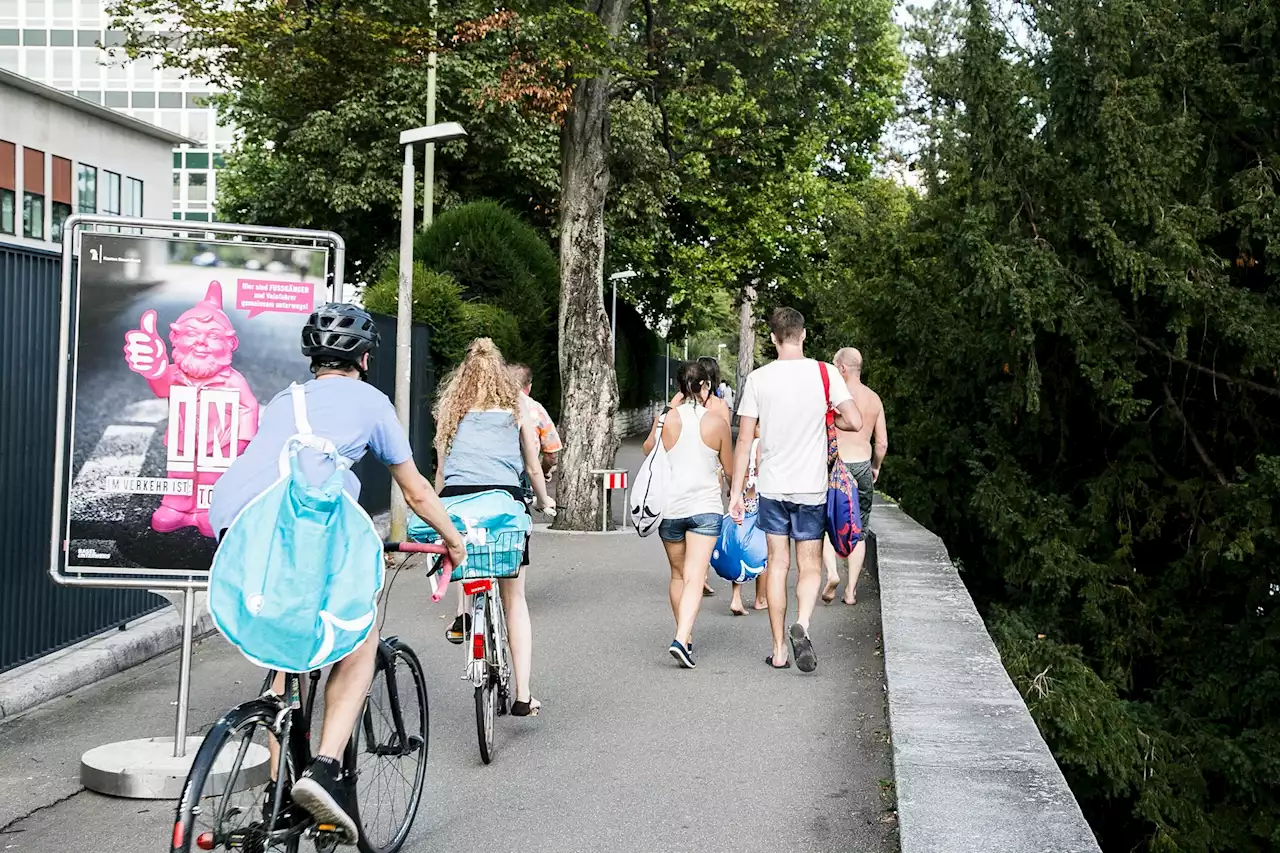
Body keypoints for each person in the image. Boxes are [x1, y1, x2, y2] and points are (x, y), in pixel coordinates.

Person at [208, 303, 466, 841]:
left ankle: (279, 797)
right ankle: (324, 768)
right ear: (366, 357)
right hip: (304, 527)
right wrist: (452, 539)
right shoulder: (371, 401)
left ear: (314, 357)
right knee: (359, 636)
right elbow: (415, 489)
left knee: (287, 644)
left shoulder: (286, 399)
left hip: (241, 524)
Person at [729, 307, 863, 673]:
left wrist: (736, 493)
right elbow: (855, 419)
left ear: (773, 338)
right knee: (809, 565)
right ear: (803, 335)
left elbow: (743, 442)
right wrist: (825, 416)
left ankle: (778, 651)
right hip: (811, 489)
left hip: (773, 487)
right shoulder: (825, 373)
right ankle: (801, 625)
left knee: (777, 565)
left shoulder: (759, 379)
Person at [436, 338, 556, 715]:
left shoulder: (450, 409)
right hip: (503, 502)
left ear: (462, 375)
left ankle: (470, 627)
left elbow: (441, 472)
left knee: (472, 571)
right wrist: (543, 499)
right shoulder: (516, 405)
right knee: (514, 597)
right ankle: (523, 694)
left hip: (456, 503)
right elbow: (533, 465)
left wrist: (441, 509)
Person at [644, 361, 734, 669]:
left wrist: (667, 412)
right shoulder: (717, 422)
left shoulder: (665, 419)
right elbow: (731, 470)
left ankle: (687, 636)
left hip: (670, 508)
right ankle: (682, 638)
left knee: (678, 575)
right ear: (705, 386)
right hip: (705, 507)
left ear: (681, 387)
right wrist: (736, 498)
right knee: (696, 575)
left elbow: (647, 450)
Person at [822, 347, 888, 605]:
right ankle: (850, 591)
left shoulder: (832, 398)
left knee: (827, 523)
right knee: (859, 528)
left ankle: (832, 573)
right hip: (861, 465)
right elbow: (881, 443)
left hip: (835, 465)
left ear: (842, 368)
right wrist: (875, 466)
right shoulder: (874, 398)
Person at [670, 355, 731, 597]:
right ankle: (700, 573)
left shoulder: (677, 403)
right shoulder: (719, 406)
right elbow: (724, 439)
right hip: (711, 468)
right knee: (705, 522)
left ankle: (691, 573)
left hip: (681, 471)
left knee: (684, 520)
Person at [728, 424, 767, 616]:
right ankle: (760, 598)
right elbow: (762, 469)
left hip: (744, 497)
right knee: (764, 548)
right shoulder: (761, 443)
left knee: (739, 546)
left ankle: (736, 597)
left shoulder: (744, 446)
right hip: (760, 498)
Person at [509, 362, 562, 479]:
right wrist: (544, 472)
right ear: (529, 386)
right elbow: (551, 454)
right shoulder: (536, 409)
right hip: (525, 479)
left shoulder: (492, 407)